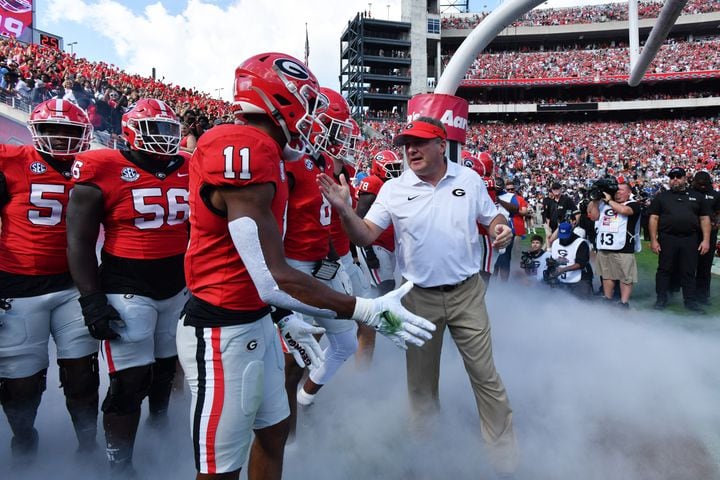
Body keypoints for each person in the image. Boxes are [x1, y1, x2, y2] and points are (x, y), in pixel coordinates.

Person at [177, 52, 434, 480]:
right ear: (282, 98)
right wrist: (364, 309)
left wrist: (279, 315)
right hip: (221, 327)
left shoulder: (276, 153)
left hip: (255, 315)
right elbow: (270, 274)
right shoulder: (245, 147)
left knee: (275, 431)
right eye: (310, 104)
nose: (314, 118)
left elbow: (257, 268)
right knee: (220, 469)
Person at [317, 116, 518, 475]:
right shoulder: (394, 189)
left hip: (466, 294)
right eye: (406, 143)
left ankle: (504, 459)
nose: (411, 149)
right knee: (421, 384)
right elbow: (364, 236)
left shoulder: (469, 180)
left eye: (420, 142)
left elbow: (493, 218)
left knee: (485, 376)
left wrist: (500, 228)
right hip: (415, 298)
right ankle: (428, 456)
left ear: (442, 145)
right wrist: (345, 211)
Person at [66, 98, 190, 476]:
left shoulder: (188, 166)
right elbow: (79, 241)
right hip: (127, 285)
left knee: (166, 371)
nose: (164, 139)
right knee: (129, 381)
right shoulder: (103, 166)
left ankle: (159, 430)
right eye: (155, 130)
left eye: (169, 130)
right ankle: (120, 464)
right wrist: (92, 300)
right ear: (131, 132)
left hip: (177, 285)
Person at [0, 99, 99, 462]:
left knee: (82, 376)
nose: (60, 139)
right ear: (34, 131)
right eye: (52, 130)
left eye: (69, 131)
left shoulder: (93, 167)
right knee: (20, 383)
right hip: (17, 286)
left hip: (73, 286)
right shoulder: (12, 162)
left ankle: (87, 449)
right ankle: (23, 439)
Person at [280, 86, 358, 434]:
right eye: (337, 129)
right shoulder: (288, 163)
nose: (341, 138)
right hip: (292, 266)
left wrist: (330, 253)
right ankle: (285, 433)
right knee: (292, 359)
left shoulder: (325, 162)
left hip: (322, 263)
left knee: (345, 343)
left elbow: (322, 219)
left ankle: (305, 401)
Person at [355, 149, 403, 365]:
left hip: (386, 246)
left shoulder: (391, 185)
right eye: (391, 167)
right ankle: (385, 331)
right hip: (374, 245)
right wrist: (367, 250)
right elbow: (359, 218)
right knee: (383, 290)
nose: (395, 171)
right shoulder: (373, 183)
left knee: (386, 289)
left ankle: (382, 332)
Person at [648, 166, 711, 313]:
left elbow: (704, 218)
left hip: (690, 238)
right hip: (667, 238)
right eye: (672, 177)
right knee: (664, 269)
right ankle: (661, 299)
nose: (674, 179)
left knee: (689, 270)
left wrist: (706, 240)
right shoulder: (661, 197)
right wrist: (653, 240)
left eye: (678, 176)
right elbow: (654, 218)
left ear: (684, 178)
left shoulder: (697, 196)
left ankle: (690, 301)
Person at [587, 181, 642, 308]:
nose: (618, 192)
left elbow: (624, 210)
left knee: (625, 277)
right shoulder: (603, 204)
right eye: (616, 190)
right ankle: (608, 298)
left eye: (621, 190)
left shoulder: (633, 204)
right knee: (607, 275)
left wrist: (609, 201)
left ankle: (624, 302)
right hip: (605, 245)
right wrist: (596, 200)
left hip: (624, 247)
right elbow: (593, 216)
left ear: (629, 192)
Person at [461, 150, 499, 283]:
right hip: (483, 231)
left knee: (481, 268)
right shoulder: (487, 181)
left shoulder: (481, 182)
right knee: (484, 268)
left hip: (477, 231)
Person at [691, 171, 719, 306]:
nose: (702, 186)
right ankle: (688, 293)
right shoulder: (689, 193)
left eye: (704, 184)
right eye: (699, 183)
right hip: (691, 233)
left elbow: (718, 214)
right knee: (688, 265)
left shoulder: (715, 195)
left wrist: (712, 226)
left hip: (709, 235)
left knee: (705, 266)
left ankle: (702, 296)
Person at [548, 221, 593, 298]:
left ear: (571, 232)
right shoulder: (556, 243)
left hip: (580, 278)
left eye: (566, 236)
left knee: (582, 302)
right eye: (561, 236)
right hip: (561, 278)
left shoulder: (581, 243)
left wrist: (564, 269)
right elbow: (553, 259)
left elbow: (581, 264)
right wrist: (551, 264)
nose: (563, 239)